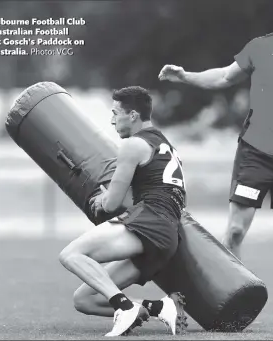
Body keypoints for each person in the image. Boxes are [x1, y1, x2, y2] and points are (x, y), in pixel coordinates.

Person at [158, 0, 273, 327]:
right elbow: (224, 78)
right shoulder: (260, 47)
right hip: (254, 154)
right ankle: (230, 303)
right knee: (235, 230)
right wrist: (186, 77)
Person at [58, 86, 188, 337]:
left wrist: (104, 198)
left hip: (150, 223)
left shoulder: (134, 145)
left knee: (71, 254)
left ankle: (124, 307)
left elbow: (110, 204)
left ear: (133, 115)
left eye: (116, 113)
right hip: (168, 235)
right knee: (84, 299)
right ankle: (161, 307)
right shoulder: (164, 143)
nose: (112, 120)